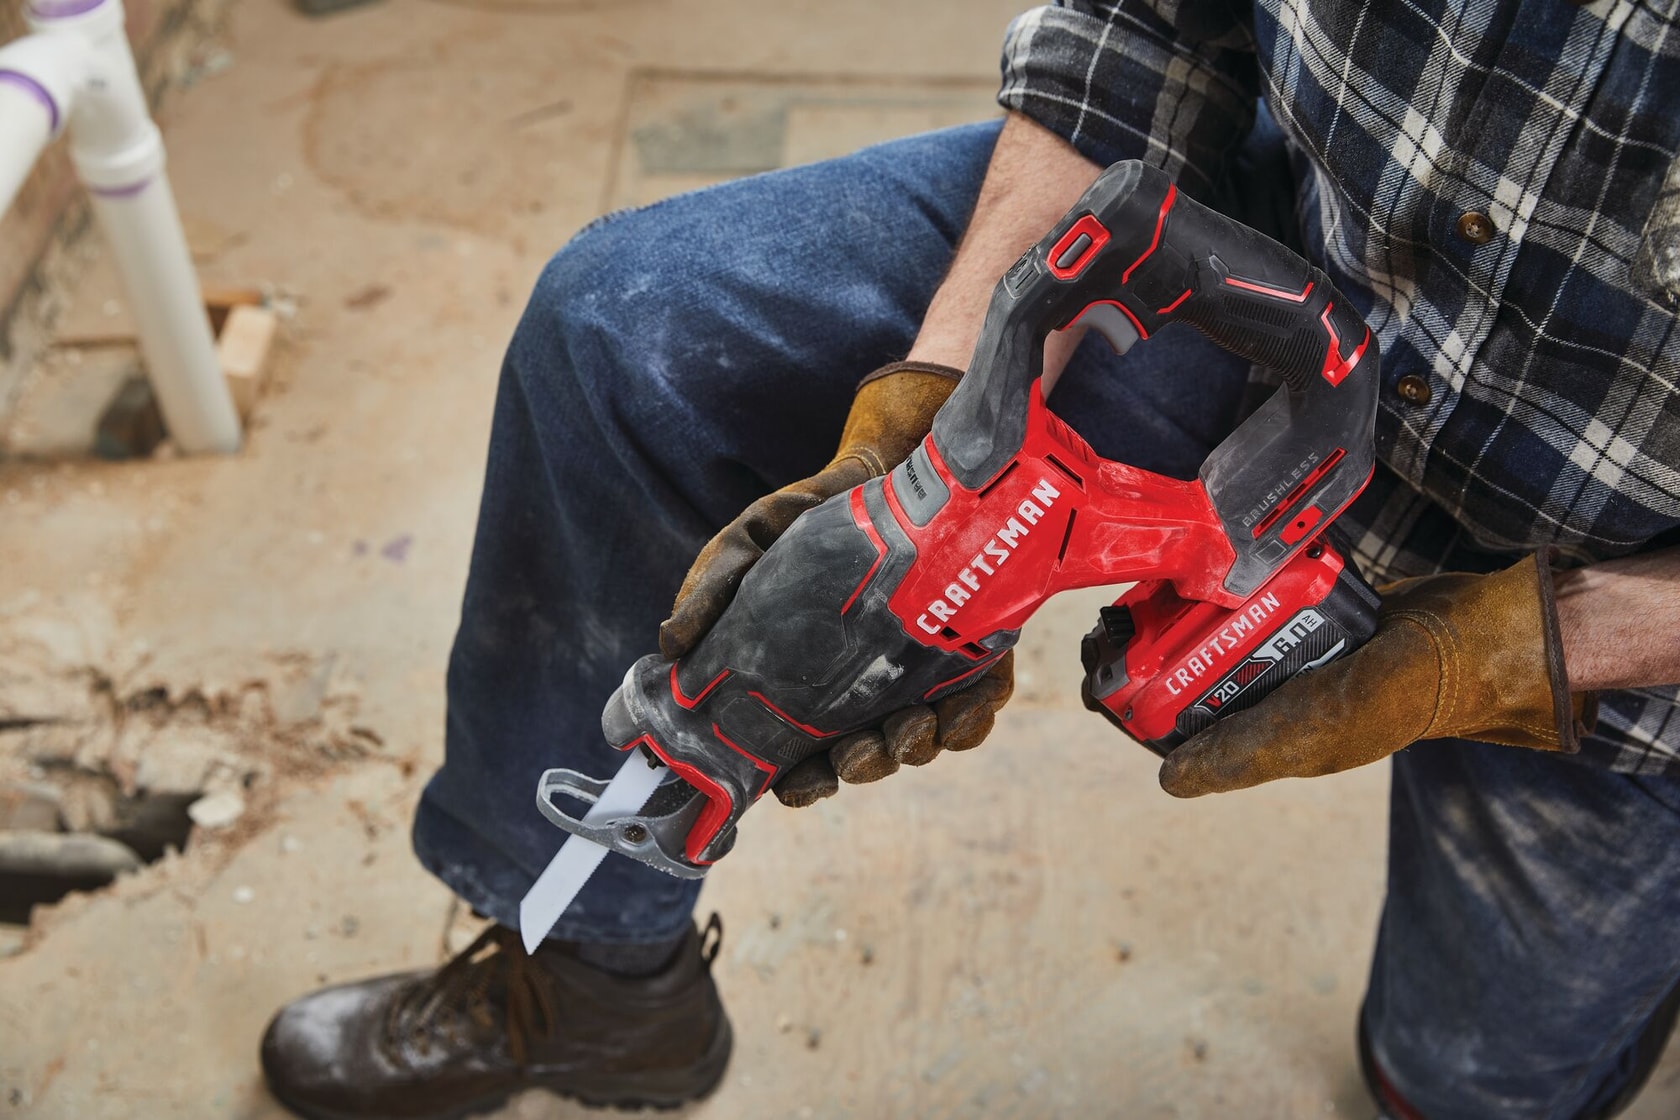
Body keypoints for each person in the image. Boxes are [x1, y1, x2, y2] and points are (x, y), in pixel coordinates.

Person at [258, 1, 1680, 1117]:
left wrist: (1526, 653)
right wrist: (949, 408)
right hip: (1292, 269)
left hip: (1616, 579)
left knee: (1461, 1088)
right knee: (625, 331)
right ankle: (598, 981)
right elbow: (1136, 29)